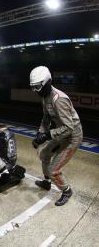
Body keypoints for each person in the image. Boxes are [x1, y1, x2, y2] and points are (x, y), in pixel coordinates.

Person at [30, 66, 82, 206]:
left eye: (38, 87)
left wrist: (47, 135)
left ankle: (66, 191)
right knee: (44, 154)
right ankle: (47, 182)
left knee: (54, 170)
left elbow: (69, 128)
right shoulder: (45, 97)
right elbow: (46, 119)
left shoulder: (59, 99)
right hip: (61, 133)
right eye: (33, 87)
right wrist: (40, 134)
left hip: (72, 137)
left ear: (47, 82)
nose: (36, 91)